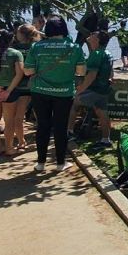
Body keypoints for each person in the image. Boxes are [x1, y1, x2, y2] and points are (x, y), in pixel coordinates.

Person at [23, 15, 85, 172]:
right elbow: (81, 71)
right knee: (60, 127)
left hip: (39, 91)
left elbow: (28, 71)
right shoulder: (74, 47)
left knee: (42, 125)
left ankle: (40, 163)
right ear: (64, 28)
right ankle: (60, 163)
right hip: (64, 93)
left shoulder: (37, 47)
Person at [71, 31, 114, 148]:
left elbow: (91, 75)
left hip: (94, 89)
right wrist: (109, 79)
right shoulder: (107, 53)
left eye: (93, 35)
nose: (89, 36)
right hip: (103, 89)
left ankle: (69, 132)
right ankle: (106, 139)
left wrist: (80, 89)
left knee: (73, 104)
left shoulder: (96, 53)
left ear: (97, 40)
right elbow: (110, 72)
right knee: (102, 113)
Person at [10, 24, 40, 151]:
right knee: (41, 114)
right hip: (36, 84)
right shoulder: (37, 47)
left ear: (22, 34)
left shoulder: (13, 49)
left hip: (19, 85)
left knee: (18, 116)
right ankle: (42, 139)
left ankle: (21, 141)